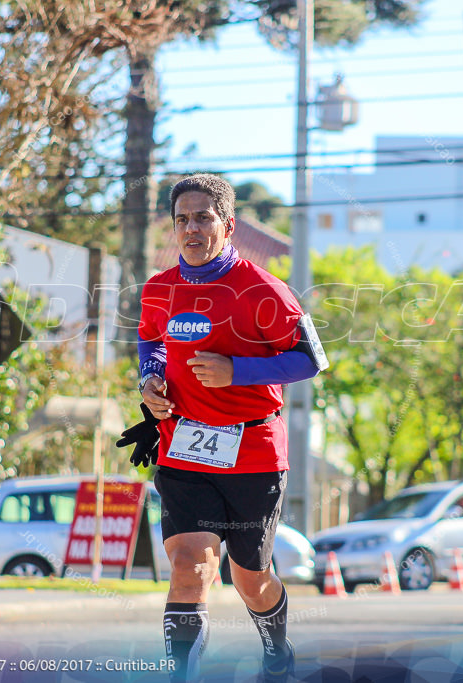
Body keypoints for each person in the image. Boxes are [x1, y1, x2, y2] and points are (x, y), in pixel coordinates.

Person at [119, 174, 326, 682]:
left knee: (249, 580)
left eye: (203, 218)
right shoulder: (159, 289)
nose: (191, 228)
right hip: (184, 445)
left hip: (253, 451)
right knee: (190, 567)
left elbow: (310, 360)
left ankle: (277, 648)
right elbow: (152, 341)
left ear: (228, 224)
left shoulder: (264, 291)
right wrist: (151, 380)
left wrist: (240, 373)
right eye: (182, 219)